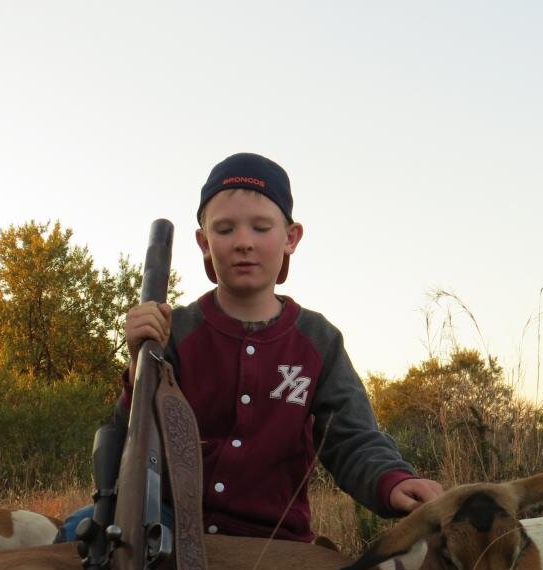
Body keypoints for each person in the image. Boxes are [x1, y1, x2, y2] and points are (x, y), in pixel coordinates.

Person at [59, 152, 442, 543]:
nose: (243, 242)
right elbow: (130, 443)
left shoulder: (318, 341)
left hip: (279, 548)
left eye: (261, 228)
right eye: (224, 230)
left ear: (291, 238)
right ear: (204, 242)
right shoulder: (174, 333)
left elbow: (352, 439)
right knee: (79, 531)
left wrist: (392, 481)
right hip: (171, 534)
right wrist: (139, 364)